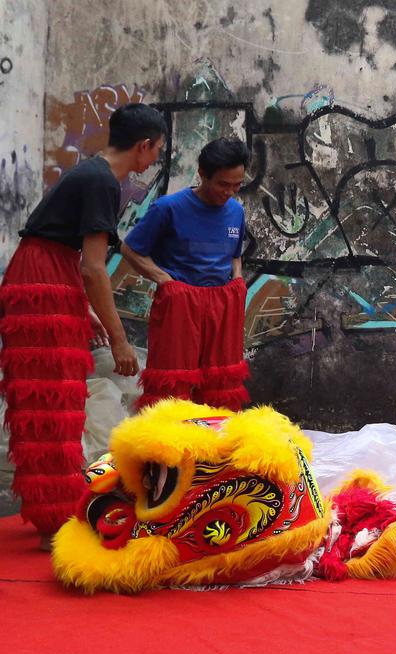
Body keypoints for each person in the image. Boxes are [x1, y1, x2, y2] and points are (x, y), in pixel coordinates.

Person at [0, 103, 166, 548]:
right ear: (143, 145)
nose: (154, 161)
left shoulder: (91, 174)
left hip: (45, 274)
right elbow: (95, 269)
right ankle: (54, 516)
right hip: (43, 280)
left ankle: (51, 510)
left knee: (57, 400)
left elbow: (67, 250)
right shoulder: (102, 183)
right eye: (156, 152)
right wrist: (119, 341)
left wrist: (83, 307)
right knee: (52, 402)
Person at [121, 138, 250, 411]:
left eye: (236, 185)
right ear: (203, 174)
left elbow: (235, 253)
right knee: (171, 382)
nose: (229, 192)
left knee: (221, 383)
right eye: (223, 184)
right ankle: (168, 449)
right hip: (180, 303)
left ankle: (215, 448)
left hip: (223, 303)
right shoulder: (168, 208)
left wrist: (237, 278)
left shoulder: (236, 211)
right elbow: (130, 249)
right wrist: (164, 280)